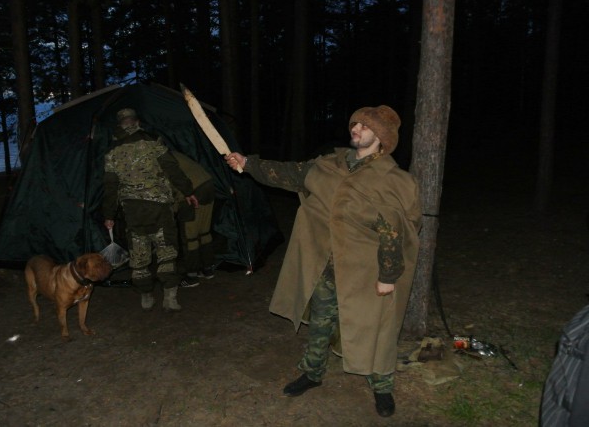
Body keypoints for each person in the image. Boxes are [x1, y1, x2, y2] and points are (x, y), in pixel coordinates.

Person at [224, 106, 421, 419]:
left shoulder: (392, 179)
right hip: (325, 265)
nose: (355, 128)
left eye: (365, 126)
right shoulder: (329, 164)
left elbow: (394, 231)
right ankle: (313, 372)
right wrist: (248, 163)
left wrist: (388, 275)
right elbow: (289, 173)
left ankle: (381, 385)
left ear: (381, 138)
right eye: (354, 122)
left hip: (366, 271)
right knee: (319, 322)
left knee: (376, 328)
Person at [102, 108, 198, 312]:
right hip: (159, 207)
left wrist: (109, 215)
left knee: (139, 253)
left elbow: (110, 187)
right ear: (136, 122)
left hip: (132, 211)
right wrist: (188, 191)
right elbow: (172, 169)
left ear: (120, 125)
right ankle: (170, 298)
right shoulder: (154, 142)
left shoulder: (112, 152)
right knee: (167, 251)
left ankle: (146, 296)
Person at [171, 151, 217, 288]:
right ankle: (207, 269)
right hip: (208, 185)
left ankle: (191, 277)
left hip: (192, 192)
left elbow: (173, 186)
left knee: (190, 237)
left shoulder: (161, 158)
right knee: (204, 232)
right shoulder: (174, 153)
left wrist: (173, 210)